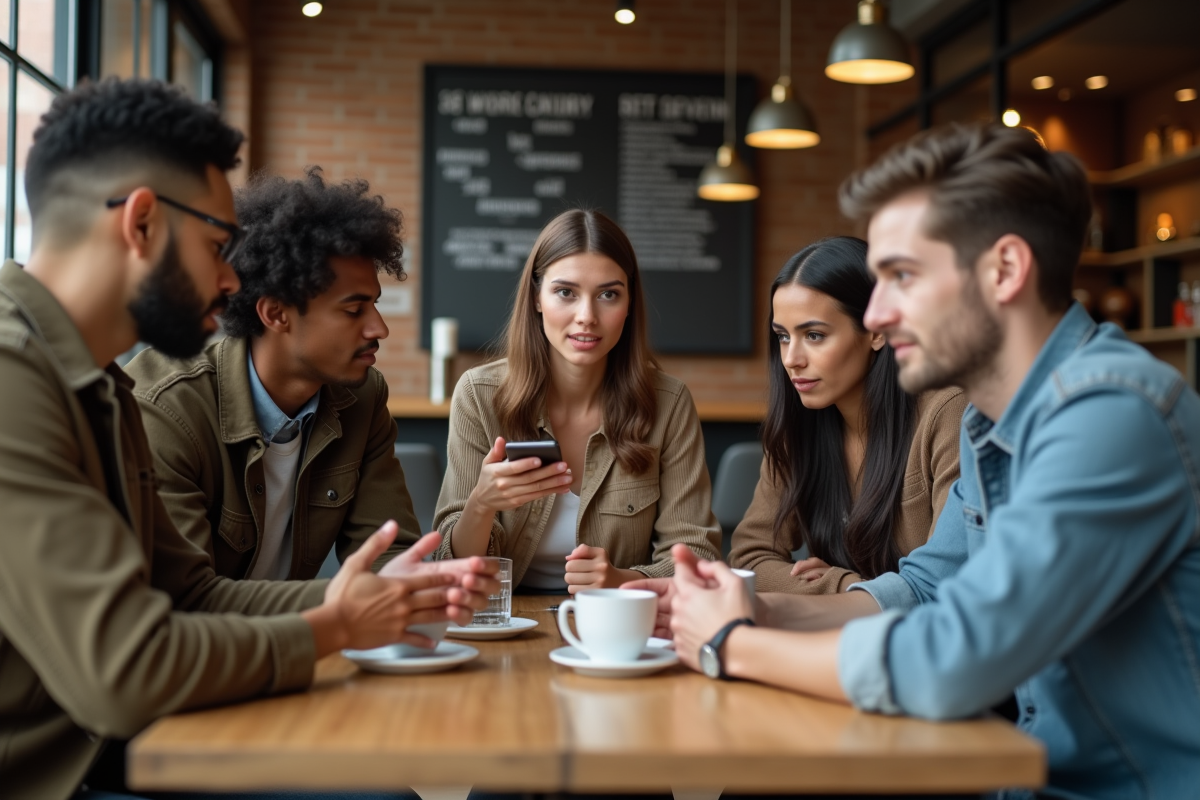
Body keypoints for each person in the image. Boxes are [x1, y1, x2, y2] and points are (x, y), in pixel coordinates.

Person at [661, 122, 1200, 799]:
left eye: (901, 277)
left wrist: (730, 643)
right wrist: (748, 607)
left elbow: (954, 656)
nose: (878, 315)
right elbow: (921, 590)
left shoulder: (1113, 414)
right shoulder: (989, 421)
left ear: (1004, 270)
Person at [0, 78, 496, 800]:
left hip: (110, 744)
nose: (230, 278)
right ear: (141, 223)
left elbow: (190, 593)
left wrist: (362, 600)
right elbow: (126, 673)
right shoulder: (16, 378)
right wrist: (334, 625)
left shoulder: (99, 383)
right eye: (215, 245)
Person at [126, 167, 422, 581]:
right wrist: (349, 604)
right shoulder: (169, 409)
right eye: (354, 310)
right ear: (276, 314)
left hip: (299, 641)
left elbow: (390, 555)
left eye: (375, 305)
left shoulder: (362, 397)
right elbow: (187, 599)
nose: (379, 329)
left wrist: (410, 589)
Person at [432, 208, 721, 592]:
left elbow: (696, 554)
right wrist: (481, 504)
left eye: (608, 295)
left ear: (629, 303)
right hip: (505, 621)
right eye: (565, 292)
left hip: (618, 622)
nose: (587, 316)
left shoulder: (669, 403)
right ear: (536, 298)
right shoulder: (478, 394)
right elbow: (452, 568)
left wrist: (624, 580)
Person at [728, 237, 965, 594]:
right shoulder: (800, 422)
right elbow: (749, 557)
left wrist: (849, 590)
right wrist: (840, 586)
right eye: (782, 336)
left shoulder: (946, 413)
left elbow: (947, 582)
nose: (792, 358)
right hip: (836, 637)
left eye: (814, 335)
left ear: (877, 331)